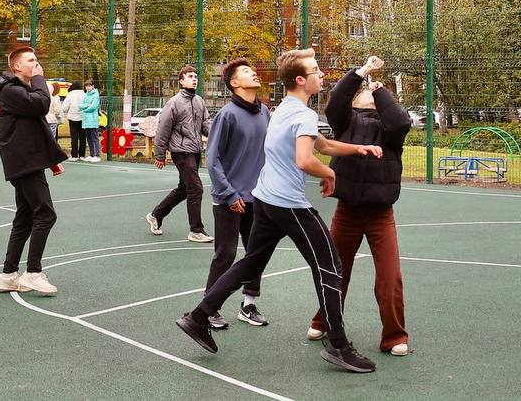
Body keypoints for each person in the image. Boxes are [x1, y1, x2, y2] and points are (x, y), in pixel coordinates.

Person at [175, 48, 384, 374]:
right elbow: (305, 159)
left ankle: (198, 317)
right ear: (301, 80)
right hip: (288, 205)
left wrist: (358, 148)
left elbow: (323, 146)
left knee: (252, 261)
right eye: (316, 70)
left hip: (266, 200)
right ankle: (338, 344)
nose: (321, 75)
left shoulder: (285, 108)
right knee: (330, 266)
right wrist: (330, 173)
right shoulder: (301, 114)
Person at [308, 55, 411, 356]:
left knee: (390, 276)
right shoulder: (346, 122)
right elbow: (334, 102)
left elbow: (401, 120)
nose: (369, 90)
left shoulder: (390, 131)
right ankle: (324, 320)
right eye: (365, 90)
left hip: (381, 215)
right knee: (335, 270)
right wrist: (362, 71)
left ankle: (394, 336)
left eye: (374, 91)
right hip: (347, 213)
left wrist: (379, 90)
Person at [201, 58, 270, 330]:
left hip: (258, 198)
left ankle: (248, 305)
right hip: (229, 199)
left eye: (252, 69)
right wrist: (229, 194)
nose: (253, 72)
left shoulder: (265, 112)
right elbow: (212, 158)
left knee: (256, 253)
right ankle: (210, 307)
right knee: (225, 255)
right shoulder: (227, 114)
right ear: (234, 83)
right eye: (245, 71)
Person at [0, 46, 67, 295]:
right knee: (46, 214)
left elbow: (35, 126)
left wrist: (50, 158)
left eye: (36, 60)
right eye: (31, 61)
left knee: (24, 217)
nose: (37, 64)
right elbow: (41, 105)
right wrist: (39, 79)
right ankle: (33, 272)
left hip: (27, 161)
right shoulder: (11, 90)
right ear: (17, 67)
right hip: (24, 163)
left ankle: (8, 274)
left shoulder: (17, 90)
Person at [146, 65, 213, 243]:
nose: (194, 79)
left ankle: (156, 215)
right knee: (196, 188)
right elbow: (163, 130)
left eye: (195, 76)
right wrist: (159, 155)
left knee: (185, 189)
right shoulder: (174, 102)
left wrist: (217, 135)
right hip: (180, 151)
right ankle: (196, 230)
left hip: (195, 150)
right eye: (190, 76)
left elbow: (206, 124)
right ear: (182, 81)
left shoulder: (199, 101)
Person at [63, 81, 86, 161]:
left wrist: (66, 112)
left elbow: (64, 107)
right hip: (83, 118)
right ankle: (82, 155)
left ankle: (74, 155)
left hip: (72, 118)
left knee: (74, 137)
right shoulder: (84, 94)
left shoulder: (70, 95)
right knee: (83, 137)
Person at [80, 80, 101, 162]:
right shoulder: (85, 95)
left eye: (89, 86)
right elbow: (80, 105)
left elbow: (93, 107)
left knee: (94, 138)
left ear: (93, 86)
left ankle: (97, 155)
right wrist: (86, 105)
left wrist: (85, 109)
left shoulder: (96, 95)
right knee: (89, 138)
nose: (88, 87)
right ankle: (91, 154)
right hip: (86, 120)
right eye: (86, 86)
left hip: (93, 120)